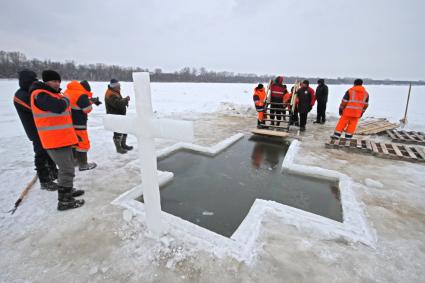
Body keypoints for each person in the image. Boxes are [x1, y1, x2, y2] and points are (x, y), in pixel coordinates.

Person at [30, 70, 85, 211]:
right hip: (54, 141)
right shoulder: (39, 95)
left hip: (63, 139)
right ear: (46, 82)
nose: (57, 83)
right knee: (67, 169)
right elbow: (59, 107)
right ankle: (64, 201)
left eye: (58, 81)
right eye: (53, 81)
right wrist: (66, 99)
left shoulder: (54, 95)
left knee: (68, 167)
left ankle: (67, 190)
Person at [13, 69, 58, 191]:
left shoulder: (30, 91)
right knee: (41, 153)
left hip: (43, 128)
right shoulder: (21, 95)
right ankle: (45, 180)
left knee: (49, 151)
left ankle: (53, 172)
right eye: (33, 80)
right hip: (34, 130)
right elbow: (36, 107)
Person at [64, 80, 101, 171]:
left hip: (68, 122)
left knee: (73, 142)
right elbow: (87, 109)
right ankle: (83, 164)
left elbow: (75, 103)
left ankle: (74, 160)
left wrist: (88, 100)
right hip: (79, 123)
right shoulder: (81, 95)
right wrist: (89, 103)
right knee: (83, 144)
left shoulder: (68, 91)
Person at [104, 79, 132, 153]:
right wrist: (125, 100)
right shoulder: (110, 94)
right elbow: (117, 104)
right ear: (114, 86)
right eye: (118, 86)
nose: (120, 87)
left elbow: (118, 101)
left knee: (124, 129)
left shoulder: (114, 92)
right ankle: (118, 148)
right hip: (115, 116)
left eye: (119, 85)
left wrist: (124, 100)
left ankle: (123, 145)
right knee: (118, 132)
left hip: (119, 115)